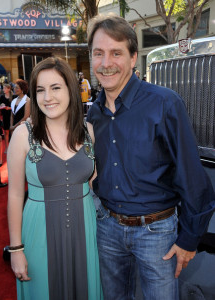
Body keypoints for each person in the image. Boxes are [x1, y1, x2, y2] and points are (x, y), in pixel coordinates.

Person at [86, 14, 215, 300]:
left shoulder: (165, 103)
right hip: (107, 228)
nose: (106, 63)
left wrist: (189, 239)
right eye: (99, 53)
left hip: (156, 233)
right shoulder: (95, 112)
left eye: (116, 53)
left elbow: (192, 176)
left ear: (133, 58)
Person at [7, 57, 103, 300]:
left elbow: (96, 183)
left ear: (71, 89)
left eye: (55, 88)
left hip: (86, 229)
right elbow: (16, 195)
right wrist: (16, 249)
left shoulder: (88, 130)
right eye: (40, 90)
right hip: (38, 231)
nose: (47, 97)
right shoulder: (22, 135)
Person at [0, 83, 13, 153]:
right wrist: (2, 106)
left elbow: (15, 107)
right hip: (5, 116)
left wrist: (9, 108)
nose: (3, 89)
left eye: (4, 88)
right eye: (3, 88)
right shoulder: (2, 97)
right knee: (6, 132)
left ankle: (13, 147)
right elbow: (0, 106)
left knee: (12, 131)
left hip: (11, 116)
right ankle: (7, 148)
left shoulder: (13, 96)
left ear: (9, 89)